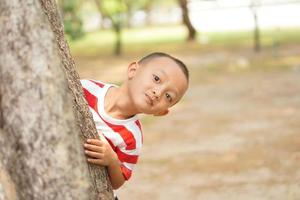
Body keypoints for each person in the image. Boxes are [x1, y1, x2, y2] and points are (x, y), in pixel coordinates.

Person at [81, 52, 189, 191]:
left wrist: (112, 160)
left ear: (161, 112)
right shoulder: (87, 88)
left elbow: (117, 183)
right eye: (156, 78)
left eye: (168, 96)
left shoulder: (132, 137)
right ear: (133, 70)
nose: (158, 92)